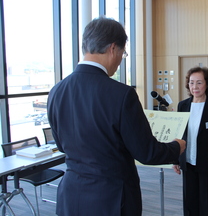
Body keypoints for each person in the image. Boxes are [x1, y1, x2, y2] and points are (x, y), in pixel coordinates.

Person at [47, 17, 186, 216]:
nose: (121, 60)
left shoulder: (56, 91)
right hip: (111, 198)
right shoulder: (121, 94)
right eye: (123, 53)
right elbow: (146, 152)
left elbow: (61, 145)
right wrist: (177, 147)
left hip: (71, 195)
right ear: (113, 48)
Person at [173, 66, 208, 216]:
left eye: (199, 83)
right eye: (191, 83)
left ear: (207, 84)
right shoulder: (182, 105)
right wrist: (176, 159)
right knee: (189, 201)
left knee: (206, 202)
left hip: (207, 163)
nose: (194, 87)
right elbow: (179, 135)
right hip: (188, 161)